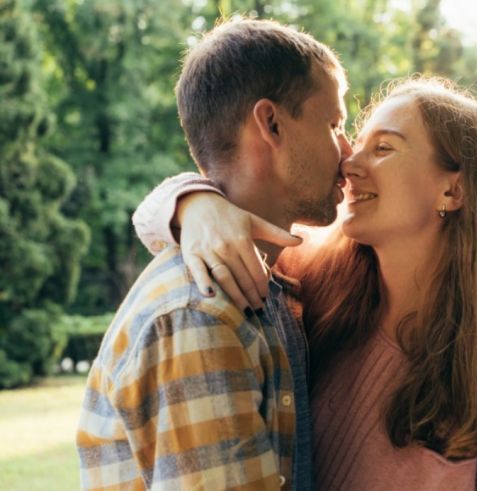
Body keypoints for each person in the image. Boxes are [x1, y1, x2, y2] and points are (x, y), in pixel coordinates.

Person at [135, 78, 477, 489]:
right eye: (357, 144)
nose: (350, 164)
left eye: (383, 148)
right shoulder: (309, 280)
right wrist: (195, 204)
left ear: (452, 192)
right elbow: (148, 218)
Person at [76, 18, 352, 490]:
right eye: (333, 125)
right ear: (271, 124)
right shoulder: (200, 312)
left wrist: (186, 200)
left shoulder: (268, 280)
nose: (347, 151)